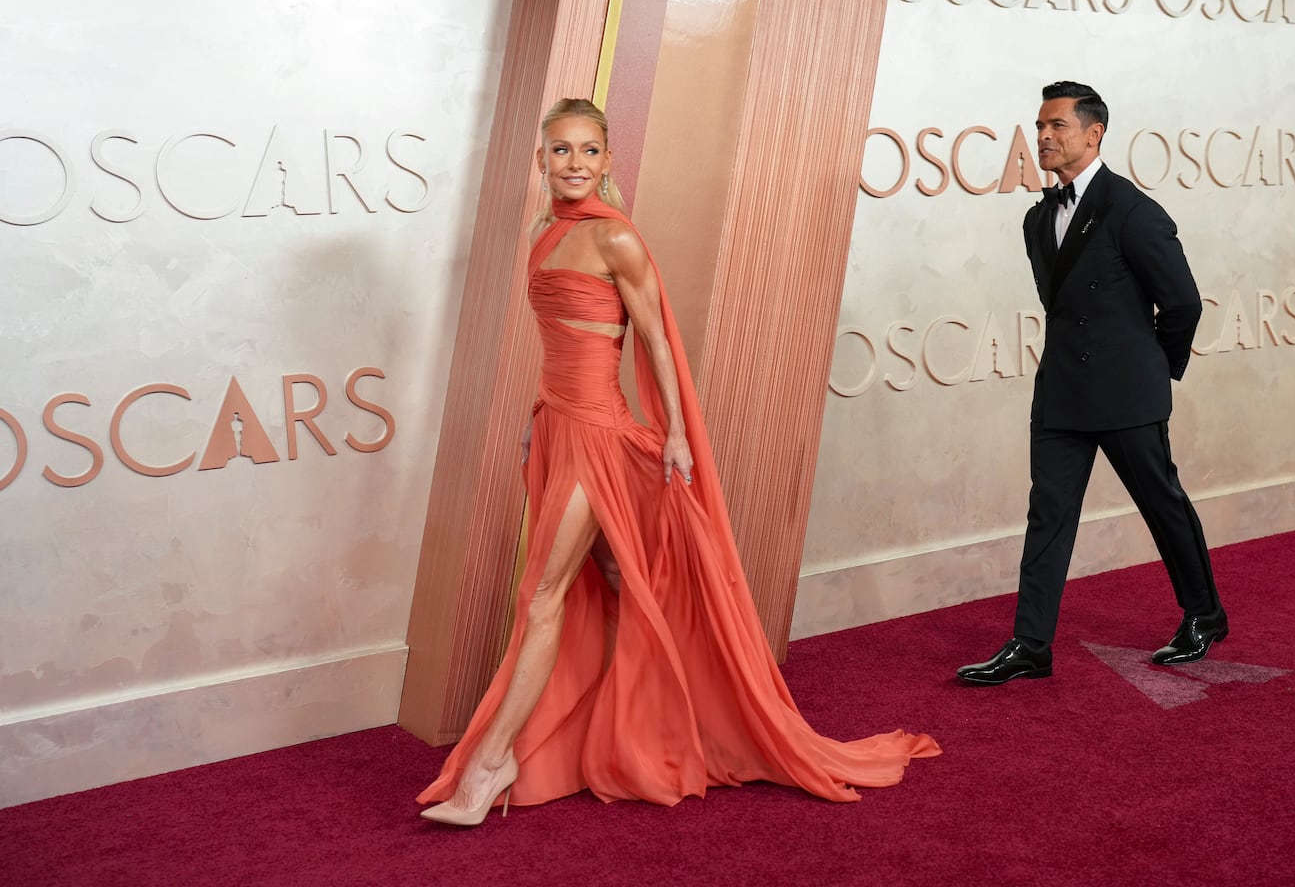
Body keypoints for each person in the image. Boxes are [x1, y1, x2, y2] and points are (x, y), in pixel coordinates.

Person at [417, 98, 938, 825]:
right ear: (541, 160)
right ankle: (667, 722)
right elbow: (563, 343)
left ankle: (490, 766)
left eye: (588, 151)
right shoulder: (542, 232)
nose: (574, 164)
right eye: (560, 151)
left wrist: (677, 434)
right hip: (559, 428)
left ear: (607, 160)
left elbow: (657, 341)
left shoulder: (615, 240)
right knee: (611, 583)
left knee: (542, 599)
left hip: (598, 441)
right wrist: (537, 417)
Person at [956, 81, 1227, 687]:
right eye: (1040, 126)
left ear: (1093, 133)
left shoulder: (1133, 210)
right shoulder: (1036, 219)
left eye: (1057, 126)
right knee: (1047, 514)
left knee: (1162, 505)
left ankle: (1205, 615)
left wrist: (1152, 371)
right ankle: (1031, 645)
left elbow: (1182, 304)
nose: (1044, 137)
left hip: (1127, 393)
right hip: (1061, 394)